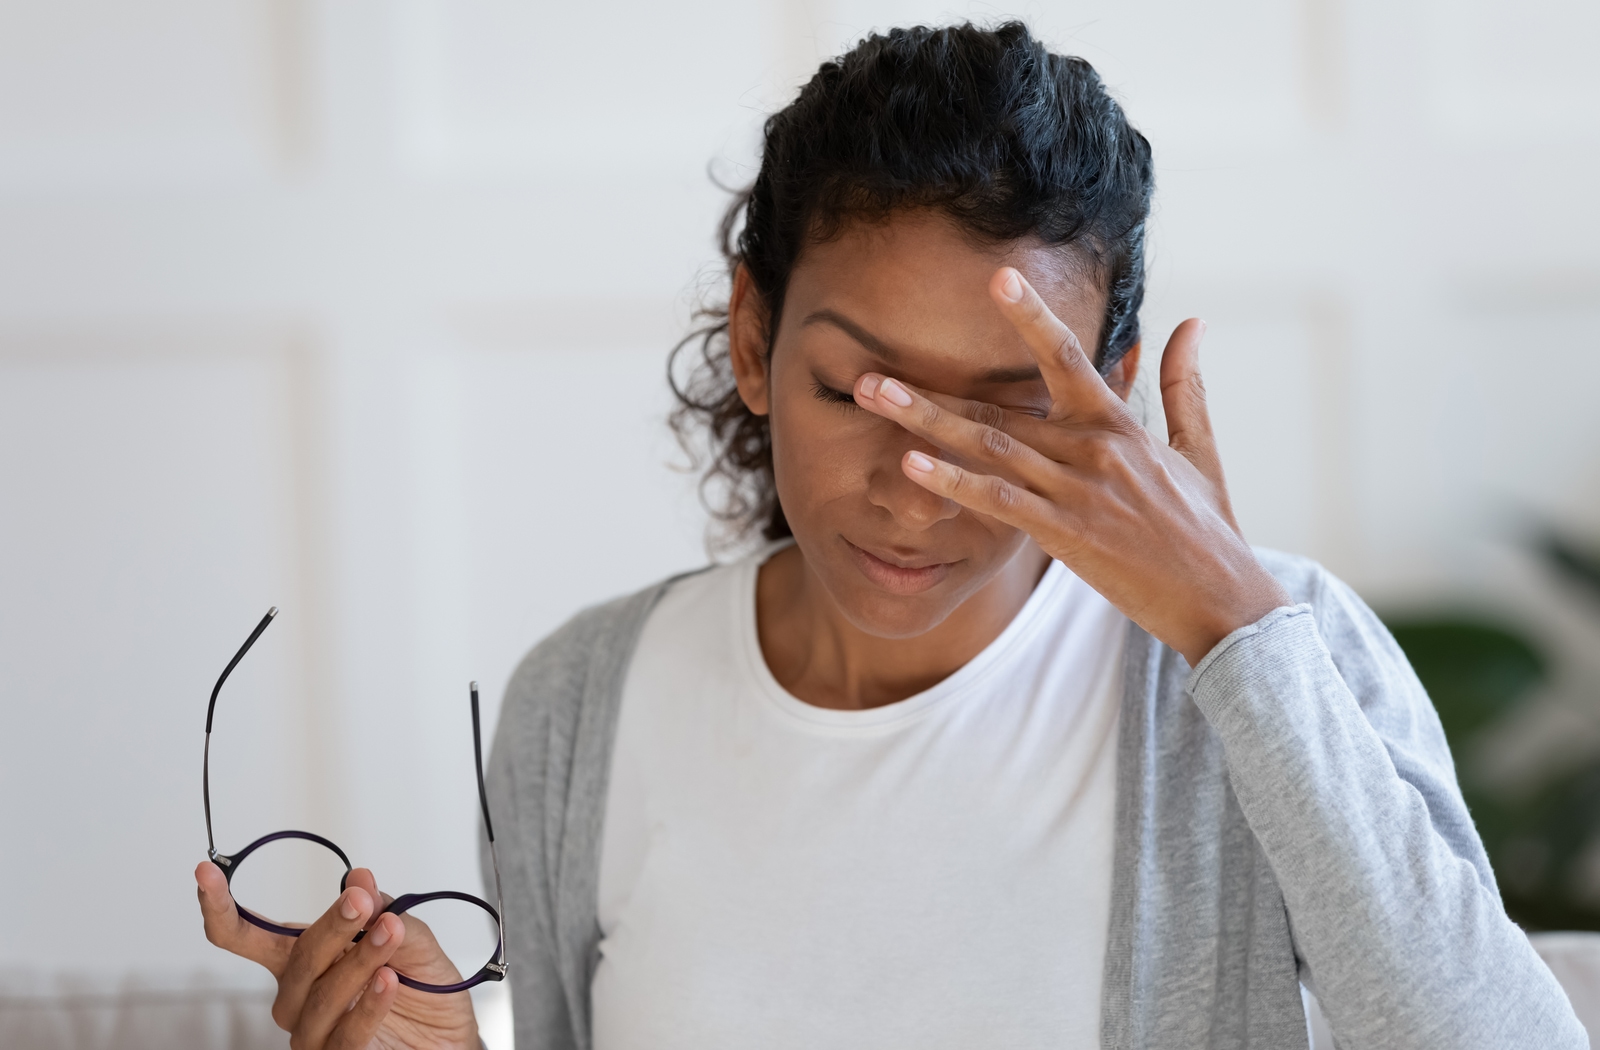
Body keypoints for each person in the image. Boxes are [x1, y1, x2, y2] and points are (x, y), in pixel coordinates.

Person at [194, 21, 1586, 1050]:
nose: (918, 489)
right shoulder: (586, 700)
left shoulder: (1264, 662)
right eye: (857, 392)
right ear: (753, 339)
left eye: (1006, 412)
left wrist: (1233, 628)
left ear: (1107, 387)